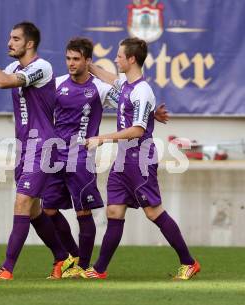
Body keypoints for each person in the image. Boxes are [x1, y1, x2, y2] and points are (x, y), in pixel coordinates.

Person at [43, 37, 169, 278]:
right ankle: (72, 257)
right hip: (56, 155)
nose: (70, 63)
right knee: (47, 209)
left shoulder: (100, 89)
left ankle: (83, 266)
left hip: (82, 157)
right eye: (68, 58)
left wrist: (151, 114)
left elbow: (130, 104)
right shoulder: (57, 84)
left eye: (76, 59)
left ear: (87, 61)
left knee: (84, 213)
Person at [0, 22, 74, 280]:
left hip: (44, 146)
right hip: (25, 146)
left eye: (15, 39)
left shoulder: (41, 67)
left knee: (22, 203)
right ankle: (63, 258)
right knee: (34, 210)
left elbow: (2, 82)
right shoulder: (16, 66)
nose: (9, 43)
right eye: (10, 38)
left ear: (29, 44)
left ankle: (7, 268)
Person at [84, 37, 200, 280]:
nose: (116, 59)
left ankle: (189, 262)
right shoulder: (127, 85)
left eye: (119, 55)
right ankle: (99, 270)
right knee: (114, 211)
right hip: (123, 159)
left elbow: (137, 130)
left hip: (140, 160)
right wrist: (89, 65)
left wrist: (102, 138)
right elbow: (112, 80)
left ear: (131, 59)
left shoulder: (142, 90)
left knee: (153, 211)